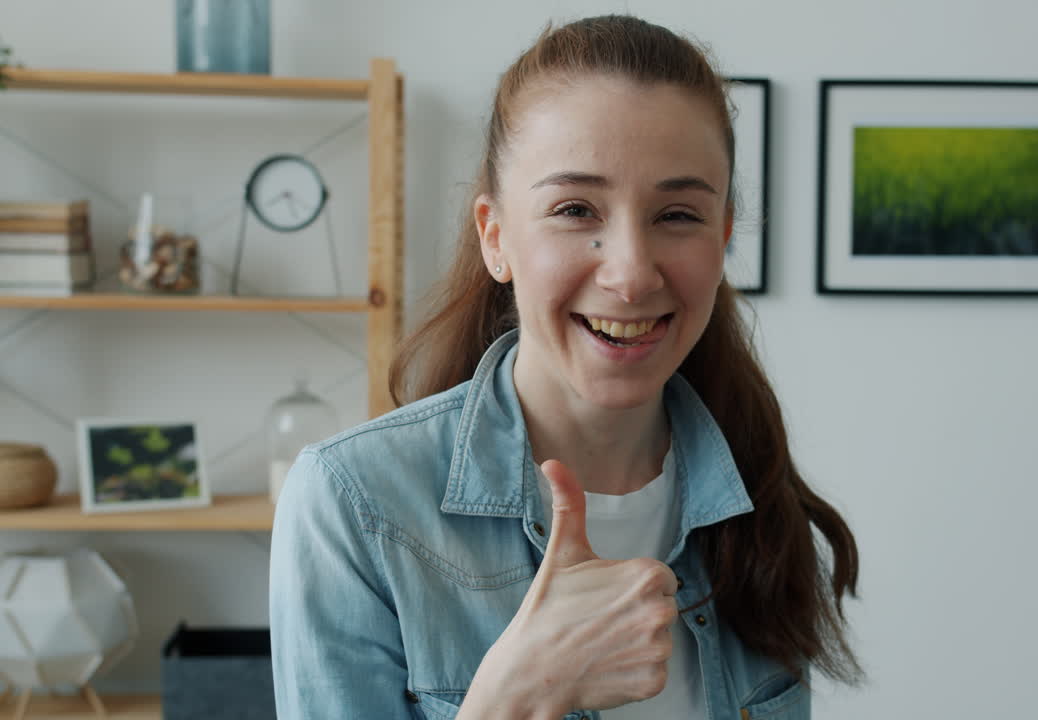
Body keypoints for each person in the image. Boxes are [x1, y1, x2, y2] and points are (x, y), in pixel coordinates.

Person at [270, 14, 863, 720]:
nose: (632, 274)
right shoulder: (353, 504)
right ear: (495, 237)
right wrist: (522, 692)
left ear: (723, 236)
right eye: (577, 209)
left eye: (678, 215)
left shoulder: (758, 496)